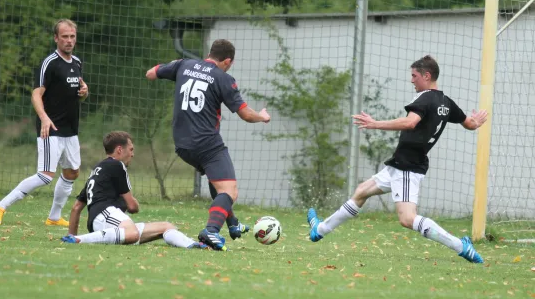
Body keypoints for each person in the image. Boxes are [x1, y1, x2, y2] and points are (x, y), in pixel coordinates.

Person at [307, 55, 488, 263]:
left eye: (414, 76)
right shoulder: (446, 102)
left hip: (407, 167)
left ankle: (461, 246)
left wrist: (375, 124)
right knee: (360, 192)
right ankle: (319, 230)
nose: (412, 80)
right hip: (400, 165)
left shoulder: (425, 98)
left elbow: (411, 123)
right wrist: (477, 121)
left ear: (427, 76)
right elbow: (469, 124)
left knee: (407, 219)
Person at [145, 39, 271, 250]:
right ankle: (211, 231)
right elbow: (246, 115)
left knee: (218, 183)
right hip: (207, 143)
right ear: (227, 61)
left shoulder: (183, 64)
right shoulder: (223, 78)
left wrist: (177, 70)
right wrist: (263, 116)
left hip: (182, 144)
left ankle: (233, 224)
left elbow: (151, 73)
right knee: (230, 192)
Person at [0, 19, 88, 226]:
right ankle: (0, 206)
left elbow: (74, 94)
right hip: (50, 128)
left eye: (72, 37)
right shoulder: (49, 63)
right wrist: (44, 117)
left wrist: (84, 93)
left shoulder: (77, 63)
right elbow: (36, 94)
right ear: (56, 38)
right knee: (45, 175)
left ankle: (53, 217)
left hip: (71, 129)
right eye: (65, 37)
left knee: (72, 172)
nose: (69, 41)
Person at [61, 131, 205, 249]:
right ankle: (80, 239)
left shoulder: (98, 170)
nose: (132, 154)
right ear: (119, 149)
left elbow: (76, 207)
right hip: (106, 214)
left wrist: (71, 235)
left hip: (105, 223)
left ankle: (193, 245)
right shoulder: (117, 165)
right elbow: (132, 206)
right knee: (132, 233)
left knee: (165, 227)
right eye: (131, 149)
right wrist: (134, 203)